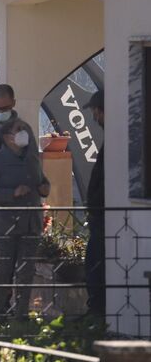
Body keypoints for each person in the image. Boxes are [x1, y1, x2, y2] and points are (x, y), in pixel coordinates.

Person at [0, 118, 50, 317]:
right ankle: (0, 309)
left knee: (26, 271)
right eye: (18, 130)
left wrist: (45, 188)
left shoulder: (32, 158)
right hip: (6, 224)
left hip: (31, 223)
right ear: (7, 137)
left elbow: (43, 181)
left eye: (24, 129)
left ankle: (22, 313)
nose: (23, 133)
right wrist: (11, 193)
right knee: (4, 269)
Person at [84, 89, 105, 318]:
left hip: (105, 218)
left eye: (95, 113)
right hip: (101, 216)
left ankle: (98, 312)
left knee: (96, 265)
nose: (94, 118)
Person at [0, 84, 35, 152]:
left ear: (13, 103)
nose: (1, 112)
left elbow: (32, 159)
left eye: (5, 108)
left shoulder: (23, 129)